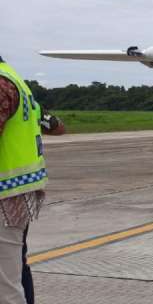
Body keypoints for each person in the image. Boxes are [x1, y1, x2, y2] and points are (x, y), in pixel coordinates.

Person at [0, 55, 65, 304]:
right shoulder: (17, 83)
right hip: (22, 191)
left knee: (5, 286)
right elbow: (57, 126)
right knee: (17, 267)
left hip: (5, 196)